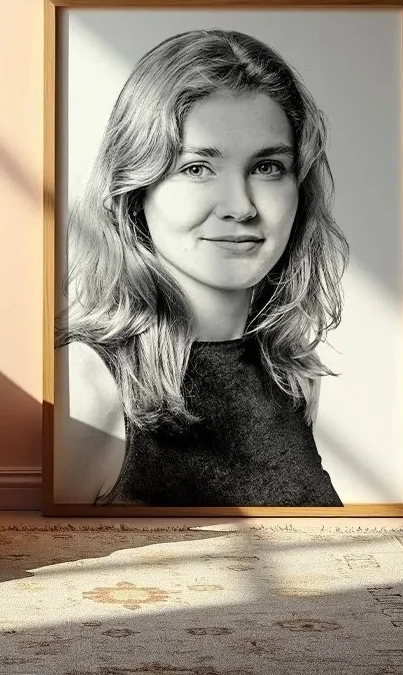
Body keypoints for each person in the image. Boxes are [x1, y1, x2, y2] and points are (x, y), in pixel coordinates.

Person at [54, 28, 348, 507]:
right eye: (197, 168)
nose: (240, 207)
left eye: (268, 166)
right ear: (134, 191)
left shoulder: (290, 373)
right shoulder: (85, 384)